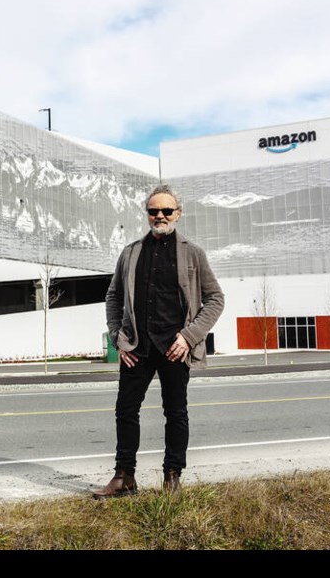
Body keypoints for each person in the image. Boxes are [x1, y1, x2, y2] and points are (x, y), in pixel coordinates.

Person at [93, 184, 224, 497]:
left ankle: (172, 477)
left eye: (167, 211)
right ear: (147, 214)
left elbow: (215, 298)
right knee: (126, 410)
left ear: (178, 213)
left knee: (176, 413)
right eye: (154, 211)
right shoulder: (131, 253)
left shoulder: (193, 253)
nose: (160, 216)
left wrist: (189, 336)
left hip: (175, 349)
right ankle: (124, 477)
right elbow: (113, 296)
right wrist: (117, 337)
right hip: (136, 349)